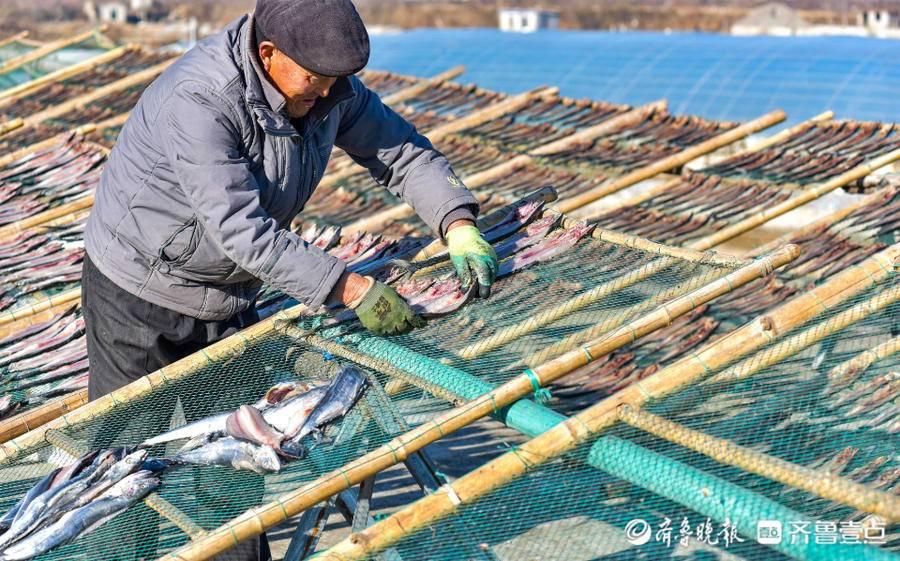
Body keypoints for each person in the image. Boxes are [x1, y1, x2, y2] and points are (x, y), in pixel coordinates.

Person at [81, 0, 497, 559]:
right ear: (268, 53)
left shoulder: (329, 91)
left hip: (228, 296)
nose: (325, 93)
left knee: (234, 459)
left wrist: (457, 221)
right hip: (136, 288)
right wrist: (348, 287)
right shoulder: (202, 98)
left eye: (335, 80)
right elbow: (242, 230)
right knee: (124, 466)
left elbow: (401, 154)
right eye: (314, 79)